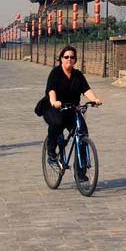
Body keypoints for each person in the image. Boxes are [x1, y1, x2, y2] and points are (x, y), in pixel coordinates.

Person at [43, 45, 102, 179]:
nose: (69, 59)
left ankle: (80, 172)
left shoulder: (78, 75)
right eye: (66, 57)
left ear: (75, 60)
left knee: (82, 133)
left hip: (72, 109)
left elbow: (86, 90)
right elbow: (51, 90)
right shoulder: (56, 73)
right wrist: (54, 101)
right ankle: (51, 154)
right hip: (54, 108)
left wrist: (95, 99)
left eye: (72, 57)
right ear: (61, 59)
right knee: (57, 124)